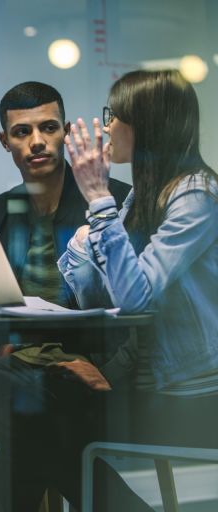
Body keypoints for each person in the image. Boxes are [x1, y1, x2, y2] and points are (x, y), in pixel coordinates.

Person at [0, 82, 132, 511]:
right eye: (22, 132)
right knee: (19, 413)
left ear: (67, 131)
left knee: (24, 419)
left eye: (48, 127)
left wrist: (111, 368)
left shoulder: (111, 199)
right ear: (5, 141)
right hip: (16, 372)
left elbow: (141, 299)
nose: (36, 141)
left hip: (88, 370)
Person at [59, 69, 218, 510]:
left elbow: (134, 299)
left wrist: (96, 195)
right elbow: (105, 303)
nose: (107, 126)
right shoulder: (144, 196)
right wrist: (84, 242)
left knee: (53, 431)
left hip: (197, 395)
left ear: (145, 124)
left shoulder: (197, 197)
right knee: (39, 418)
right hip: (151, 381)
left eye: (115, 116)